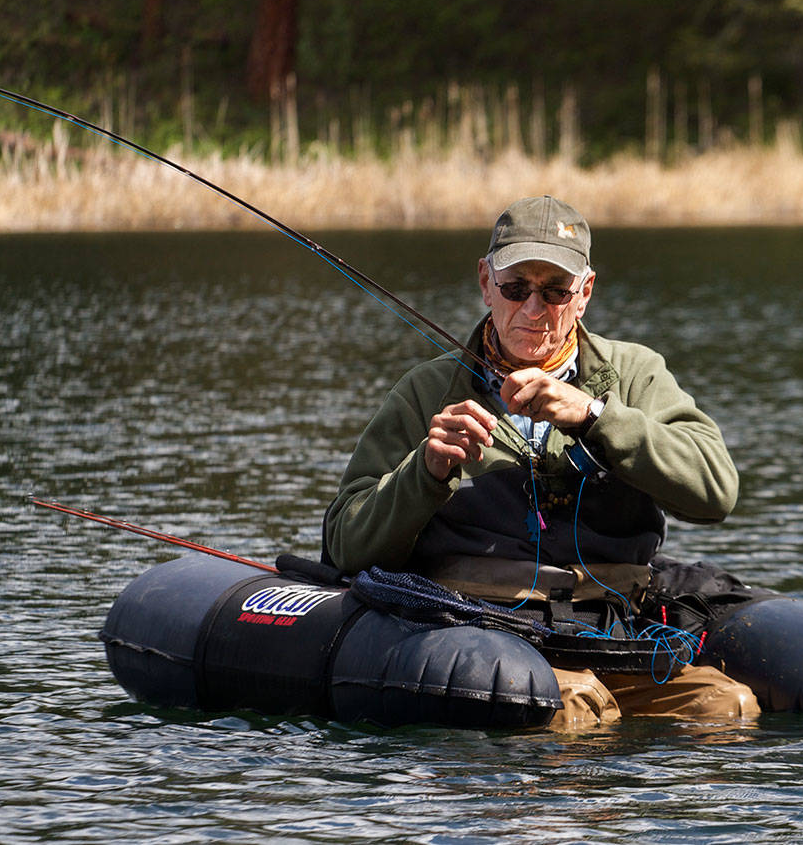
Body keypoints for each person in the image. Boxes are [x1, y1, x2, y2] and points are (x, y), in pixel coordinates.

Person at [323, 195, 759, 730]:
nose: (533, 309)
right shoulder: (424, 391)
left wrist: (596, 417)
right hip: (480, 630)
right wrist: (425, 472)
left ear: (584, 294)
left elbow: (716, 492)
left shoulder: (636, 374)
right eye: (515, 289)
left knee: (727, 709)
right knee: (572, 707)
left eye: (554, 291)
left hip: (611, 632)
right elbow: (344, 543)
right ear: (485, 282)